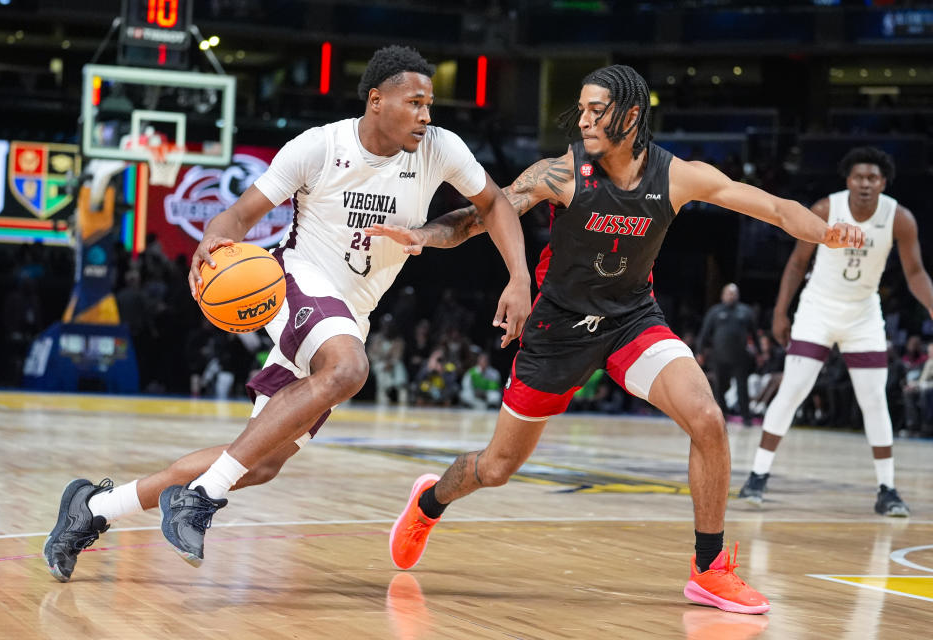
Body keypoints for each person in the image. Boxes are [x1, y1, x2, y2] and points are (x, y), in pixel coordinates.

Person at [368, 64, 862, 614]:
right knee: (497, 468)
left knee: (707, 418)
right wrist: (422, 236)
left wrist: (824, 232)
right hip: (557, 331)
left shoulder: (676, 175)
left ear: (630, 114)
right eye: (580, 109)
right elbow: (481, 214)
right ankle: (429, 502)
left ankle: (710, 569)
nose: (583, 119)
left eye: (595, 110)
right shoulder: (563, 173)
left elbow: (770, 206)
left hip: (631, 321)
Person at [42, 45, 531, 582]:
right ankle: (201, 496)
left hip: (351, 311)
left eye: (429, 104)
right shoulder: (319, 147)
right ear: (377, 100)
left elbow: (494, 204)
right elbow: (238, 214)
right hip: (297, 282)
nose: (426, 115)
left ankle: (92, 509)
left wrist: (518, 277)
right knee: (348, 369)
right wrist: (213, 246)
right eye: (415, 103)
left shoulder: (439, 149)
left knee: (261, 463)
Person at [739, 147, 933, 516]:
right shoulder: (826, 209)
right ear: (848, 181)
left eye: (872, 178)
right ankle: (757, 476)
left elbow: (915, 273)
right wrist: (781, 312)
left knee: (874, 400)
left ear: (883, 183)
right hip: (818, 309)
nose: (865, 183)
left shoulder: (900, 218)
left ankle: (887, 489)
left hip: (863, 314)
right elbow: (797, 264)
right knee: (793, 389)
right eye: (858, 177)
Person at [697, 283, 758, 425]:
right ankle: (721, 415)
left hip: (740, 357)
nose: (731, 296)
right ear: (722, 295)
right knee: (719, 387)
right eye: (728, 293)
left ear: (738, 295)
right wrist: (700, 351)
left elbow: (754, 334)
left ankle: (746, 418)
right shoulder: (715, 312)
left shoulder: (746, 312)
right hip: (719, 356)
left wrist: (759, 352)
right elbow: (705, 333)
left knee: (742, 387)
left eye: (734, 293)